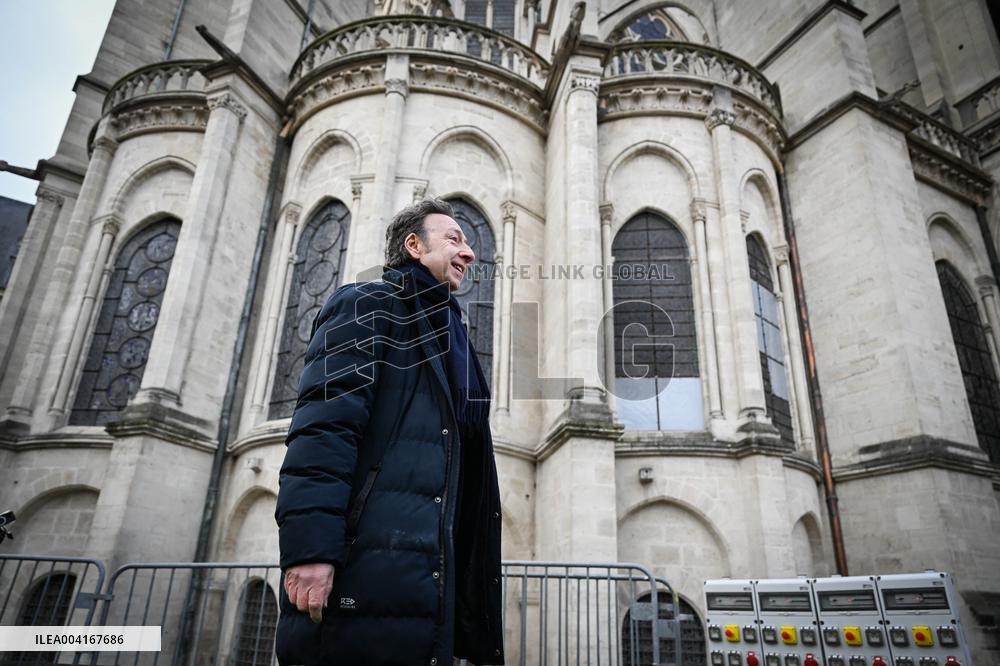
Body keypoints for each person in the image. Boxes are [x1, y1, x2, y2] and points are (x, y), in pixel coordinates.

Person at [274, 198, 504, 665]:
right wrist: (311, 552)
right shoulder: (367, 304)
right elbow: (324, 431)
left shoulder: (450, 332)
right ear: (414, 245)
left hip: (424, 573)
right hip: (365, 570)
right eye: (454, 239)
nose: (470, 253)